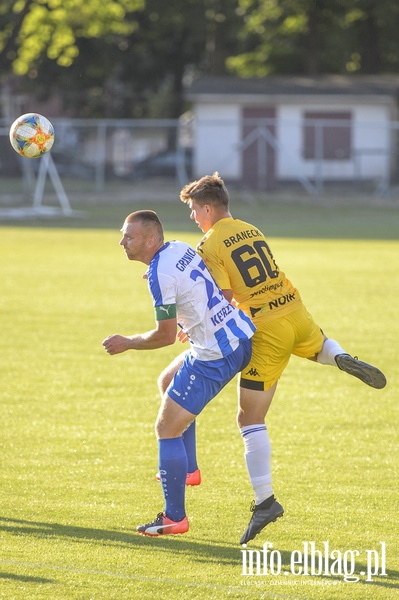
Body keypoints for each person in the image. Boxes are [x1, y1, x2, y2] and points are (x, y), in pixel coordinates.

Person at [165, 172, 386, 545]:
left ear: (206, 208)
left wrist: (192, 324)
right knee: (316, 345)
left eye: (192, 210)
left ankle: (264, 500)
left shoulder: (209, 243)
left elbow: (222, 296)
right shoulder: (250, 228)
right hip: (296, 311)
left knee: (249, 418)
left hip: (267, 329)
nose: (191, 217)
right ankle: (342, 356)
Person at [102, 209, 255, 536]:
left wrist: (127, 342)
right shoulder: (178, 248)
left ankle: (174, 517)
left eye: (129, 237)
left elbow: (164, 335)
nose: (121, 242)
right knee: (168, 381)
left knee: (166, 429)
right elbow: (200, 281)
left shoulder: (160, 275)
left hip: (215, 355)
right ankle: (188, 469)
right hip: (240, 334)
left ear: (151, 240)